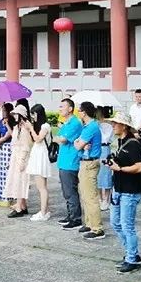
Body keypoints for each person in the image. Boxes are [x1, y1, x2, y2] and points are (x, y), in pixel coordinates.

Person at [106, 112, 141, 273]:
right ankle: (131, 253)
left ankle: (132, 258)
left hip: (130, 190)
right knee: (115, 223)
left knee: (127, 225)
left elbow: (139, 166)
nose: (113, 126)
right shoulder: (120, 141)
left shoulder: (133, 144)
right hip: (119, 188)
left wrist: (120, 168)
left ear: (124, 126)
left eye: (116, 123)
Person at [74, 101, 105, 240]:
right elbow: (79, 143)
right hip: (85, 162)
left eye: (79, 111)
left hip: (89, 163)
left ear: (84, 112)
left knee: (91, 197)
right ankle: (89, 222)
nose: (78, 113)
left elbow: (78, 145)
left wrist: (79, 144)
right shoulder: (88, 126)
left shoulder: (91, 127)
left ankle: (97, 228)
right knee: (85, 195)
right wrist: (79, 143)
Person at [55, 98, 84, 231]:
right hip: (64, 160)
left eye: (62, 106)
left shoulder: (74, 123)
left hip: (71, 161)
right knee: (66, 191)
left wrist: (57, 138)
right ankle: (70, 215)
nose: (60, 109)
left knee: (71, 191)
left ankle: (75, 218)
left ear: (70, 108)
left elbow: (62, 139)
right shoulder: (66, 123)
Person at [4, 105, 33, 218]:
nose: (14, 116)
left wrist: (22, 161)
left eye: (16, 114)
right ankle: (22, 205)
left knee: (20, 181)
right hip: (16, 155)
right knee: (17, 180)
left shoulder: (25, 128)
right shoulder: (18, 127)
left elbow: (26, 146)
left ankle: (19, 207)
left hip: (21, 157)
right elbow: (14, 139)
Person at [27, 104, 52, 221]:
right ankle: (45, 210)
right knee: (42, 187)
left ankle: (43, 212)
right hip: (38, 154)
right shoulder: (40, 126)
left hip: (41, 156)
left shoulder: (45, 126)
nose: (33, 117)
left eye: (34, 114)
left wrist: (31, 128)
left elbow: (38, 139)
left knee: (42, 187)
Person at [97, 106, 114, 212]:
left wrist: (100, 126)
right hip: (96, 148)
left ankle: (106, 199)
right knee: (97, 174)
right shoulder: (95, 124)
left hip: (105, 148)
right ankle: (99, 198)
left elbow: (106, 138)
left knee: (106, 173)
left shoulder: (108, 125)